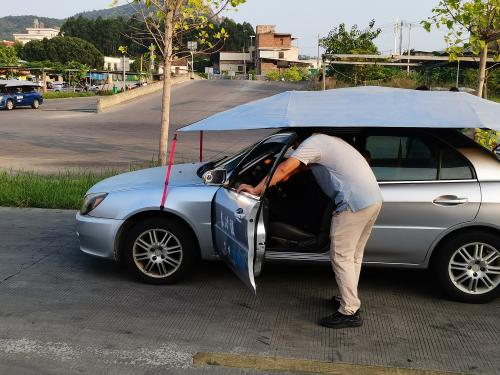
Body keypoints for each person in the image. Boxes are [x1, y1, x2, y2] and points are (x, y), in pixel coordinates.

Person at [237, 133, 383, 329]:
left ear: (299, 141)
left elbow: (284, 167)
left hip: (352, 204)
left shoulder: (311, 143)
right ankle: (348, 300)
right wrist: (285, 176)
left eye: (294, 147)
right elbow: (302, 166)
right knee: (353, 256)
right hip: (372, 200)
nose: (295, 150)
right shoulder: (326, 141)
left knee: (341, 256)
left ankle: (349, 311)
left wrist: (256, 190)